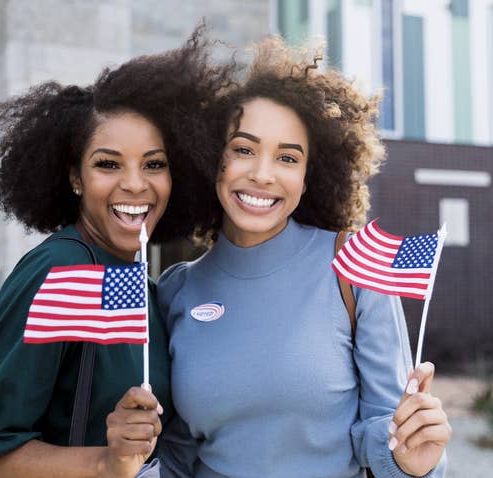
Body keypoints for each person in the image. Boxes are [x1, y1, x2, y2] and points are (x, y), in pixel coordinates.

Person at [0, 28, 234, 478]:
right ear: (75, 177)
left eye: (154, 164)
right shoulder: (59, 272)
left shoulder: (145, 285)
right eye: (108, 164)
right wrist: (107, 461)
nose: (135, 184)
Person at [154, 36, 451, 478]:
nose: (262, 174)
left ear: (310, 176)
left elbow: (383, 429)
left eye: (287, 158)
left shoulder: (354, 266)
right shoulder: (177, 289)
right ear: (210, 159)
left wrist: (412, 459)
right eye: (243, 149)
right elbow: (178, 451)